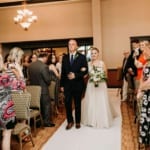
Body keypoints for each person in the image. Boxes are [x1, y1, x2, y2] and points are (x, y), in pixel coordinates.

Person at [81, 47, 113, 128]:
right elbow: (85, 75)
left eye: (95, 53)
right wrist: (81, 71)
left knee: (100, 101)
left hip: (100, 84)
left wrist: (99, 78)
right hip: (91, 84)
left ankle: (102, 120)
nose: (93, 55)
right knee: (91, 100)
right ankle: (91, 120)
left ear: (98, 54)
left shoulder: (102, 63)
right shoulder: (88, 64)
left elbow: (106, 75)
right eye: (92, 53)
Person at [60, 39, 88, 130]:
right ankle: (70, 121)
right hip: (67, 85)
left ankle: (78, 121)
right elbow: (63, 73)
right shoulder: (65, 58)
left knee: (77, 104)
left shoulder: (82, 57)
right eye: (69, 44)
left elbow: (85, 70)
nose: (71, 46)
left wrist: (75, 75)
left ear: (76, 46)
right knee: (67, 104)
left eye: (73, 44)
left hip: (78, 84)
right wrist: (61, 85)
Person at [28, 52, 55, 127]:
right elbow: (47, 80)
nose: (47, 60)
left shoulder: (31, 66)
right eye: (47, 58)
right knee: (46, 106)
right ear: (45, 57)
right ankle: (46, 122)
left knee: (37, 107)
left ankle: (38, 122)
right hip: (43, 90)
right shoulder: (44, 66)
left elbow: (29, 78)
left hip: (33, 90)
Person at [137, 42, 150, 150]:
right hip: (146, 95)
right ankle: (146, 139)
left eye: (146, 50)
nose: (143, 53)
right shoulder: (146, 64)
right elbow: (142, 78)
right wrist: (139, 90)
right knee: (145, 117)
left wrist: (142, 89)